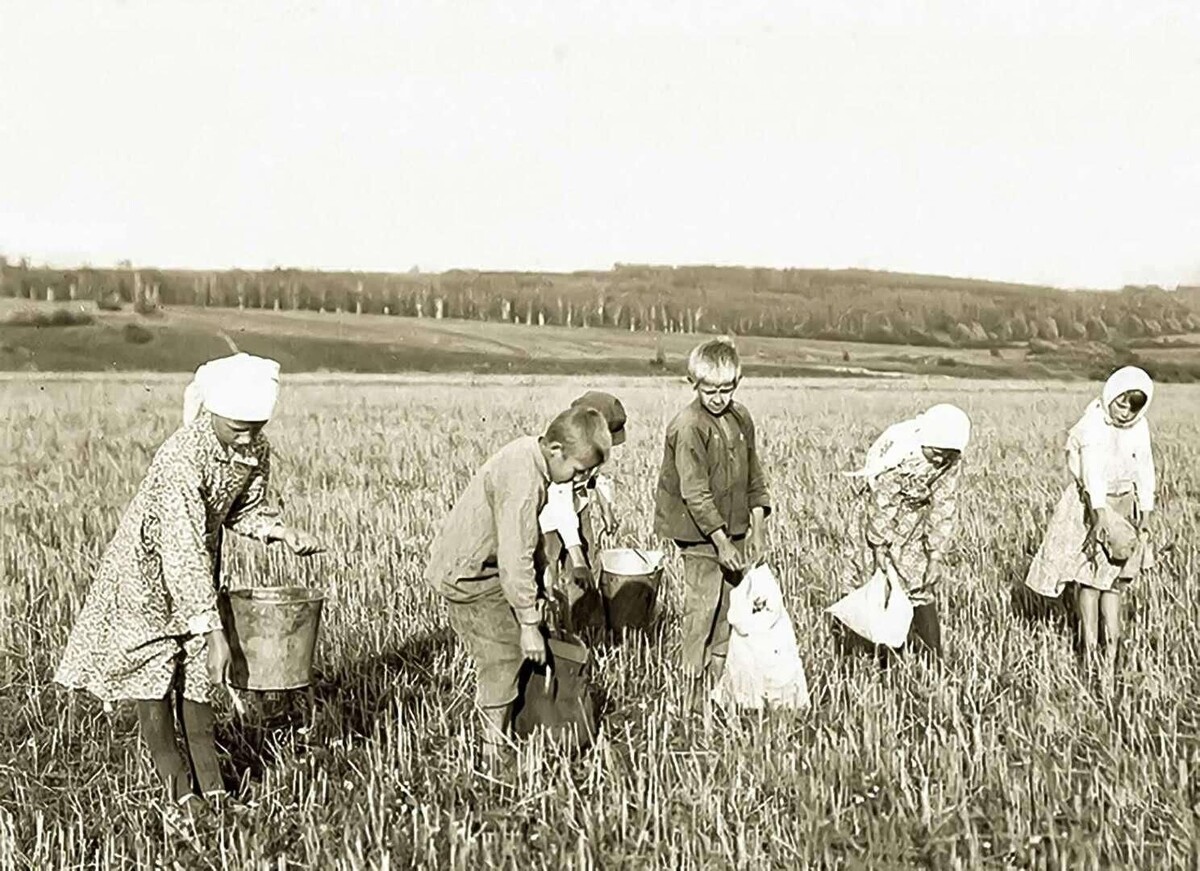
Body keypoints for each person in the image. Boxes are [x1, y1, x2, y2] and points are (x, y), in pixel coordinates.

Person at [54, 353, 324, 813]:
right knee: (156, 673)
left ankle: (215, 790)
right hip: (148, 572)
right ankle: (181, 794)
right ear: (213, 411)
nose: (248, 438)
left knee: (200, 677)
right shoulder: (182, 457)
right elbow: (180, 549)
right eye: (238, 427)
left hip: (199, 563)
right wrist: (214, 629)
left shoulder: (255, 448)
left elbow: (243, 508)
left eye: (256, 427)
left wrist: (279, 532)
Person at [426, 405, 612, 767]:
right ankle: (493, 753)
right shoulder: (524, 481)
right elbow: (514, 555)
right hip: (470, 575)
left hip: (482, 567)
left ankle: (514, 728)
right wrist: (528, 624)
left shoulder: (531, 454)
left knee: (514, 651)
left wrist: (540, 584)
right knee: (504, 654)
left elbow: (527, 542)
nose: (580, 479)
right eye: (578, 470)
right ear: (556, 450)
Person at [653, 338, 771, 710]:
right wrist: (722, 543)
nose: (719, 398)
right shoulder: (688, 427)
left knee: (728, 612)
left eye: (726, 389)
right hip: (699, 536)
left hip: (733, 532)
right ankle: (689, 698)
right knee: (702, 611)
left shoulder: (741, 418)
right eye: (710, 390)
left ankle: (715, 691)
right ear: (694, 383)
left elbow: (755, 475)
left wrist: (757, 529)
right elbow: (695, 494)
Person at [1024, 366, 1156, 687]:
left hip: (1124, 504)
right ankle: (1089, 652)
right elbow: (1093, 471)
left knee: (1113, 583)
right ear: (1111, 395)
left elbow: (1145, 467)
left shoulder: (1139, 428)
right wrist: (1098, 515)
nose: (1124, 413)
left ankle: (1109, 657)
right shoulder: (1093, 423)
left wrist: (1146, 514)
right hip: (1091, 504)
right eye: (1121, 404)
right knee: (1089, 580)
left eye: (1132, 407)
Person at [842, 403, 971, 658]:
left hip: (913, 523)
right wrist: (879, 546)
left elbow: (944, 506)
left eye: (946, 455)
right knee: (874, 582)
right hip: (874, 522)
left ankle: (933, 658)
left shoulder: (949, 459)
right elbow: (882, 505)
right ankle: (868, 656)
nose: (939, 460)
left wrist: (935, 555)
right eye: (936, 452)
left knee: (920, 583)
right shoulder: (899, 456)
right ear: (925, 438)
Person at [538, 391, 627, 633]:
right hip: (551, 521)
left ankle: (585, 628)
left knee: (588, 569)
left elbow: (597, 478)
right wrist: (576, 557)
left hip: (580, 509)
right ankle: (553, 628)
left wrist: (606, 506)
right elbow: (561, 506)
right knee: (550, 573)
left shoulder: (590, 452)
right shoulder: (566, 454)